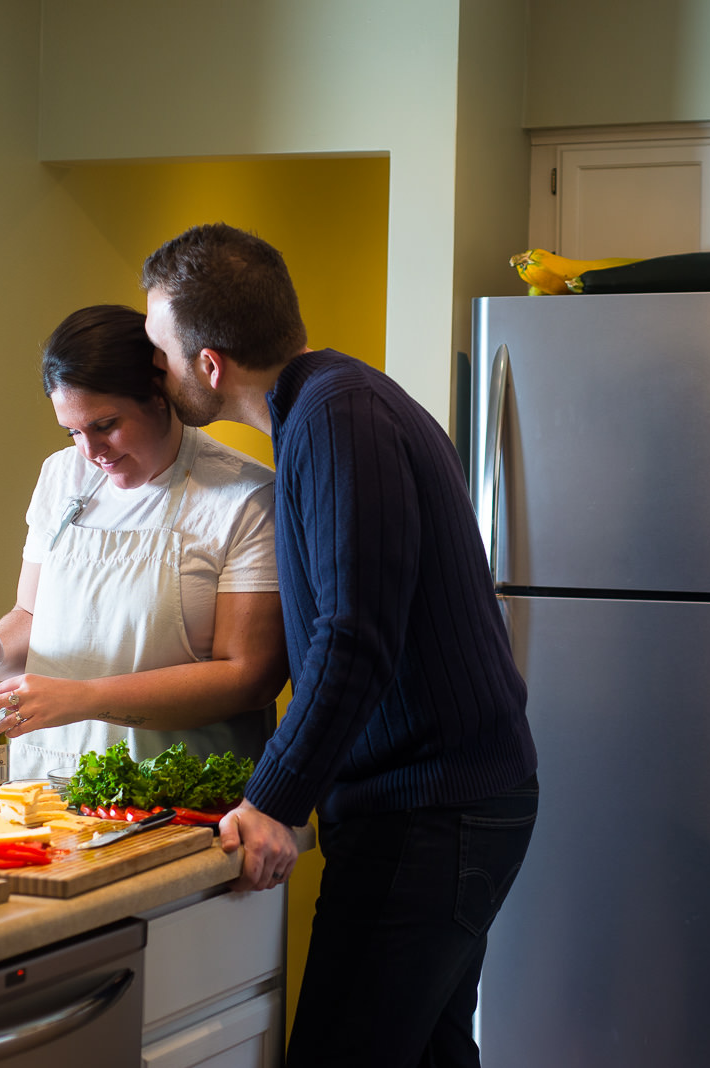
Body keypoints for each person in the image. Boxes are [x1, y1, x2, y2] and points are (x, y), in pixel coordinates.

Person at [141, 224, 539, 1068]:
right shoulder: (329, 404)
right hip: (451, 802)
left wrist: (275, 796)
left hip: (432, 813)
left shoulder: (335, 418)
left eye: (159, 350)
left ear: (209, 363)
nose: (157, 369)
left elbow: (355, 637)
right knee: (429, 1055)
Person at [0, 304, 289, 779]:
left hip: (176, 789)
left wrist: (86, 697)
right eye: (73, 431)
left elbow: (247, 677)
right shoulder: (62, 476)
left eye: (105, 425)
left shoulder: (245, 497)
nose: (91, 451)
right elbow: (31, 616)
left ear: (159, 394)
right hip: (45, 779)